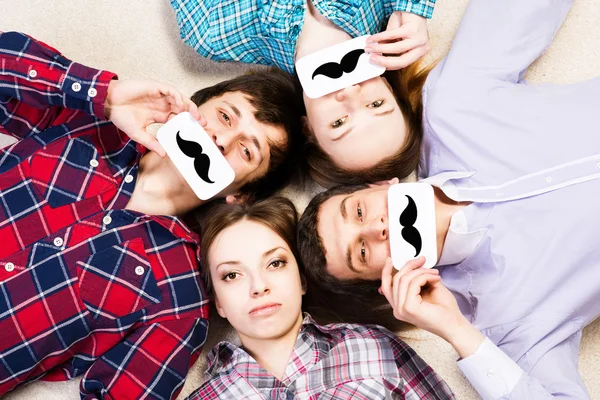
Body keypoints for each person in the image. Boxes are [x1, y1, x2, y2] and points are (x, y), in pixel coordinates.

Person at [297, 0, 600, 397]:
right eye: (363, 252)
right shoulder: (502, 322)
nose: (376, 227)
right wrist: (456, 332)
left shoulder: (452, 107)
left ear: (379, 184)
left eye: (357, 212)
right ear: (385, 282)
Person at [0, 31, 302, 398]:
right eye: (224, 116)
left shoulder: (180, 302)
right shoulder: (92, 121)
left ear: (239, 194)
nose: (221, 140)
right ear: (196, 106)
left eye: (246, 151)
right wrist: (105, 96)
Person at [185, 197, 455, 399]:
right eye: (231, 275)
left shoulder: (371, 346)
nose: (258, 287)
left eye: (275, 263)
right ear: (218, 301)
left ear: (302, 279)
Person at [170, 0, 435, 186]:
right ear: (388, 86)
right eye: (376, 103)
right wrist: (414, 11)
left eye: (339, 122)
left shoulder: (212, 34)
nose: (351, 94)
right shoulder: (396, 10)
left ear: (308, 128)